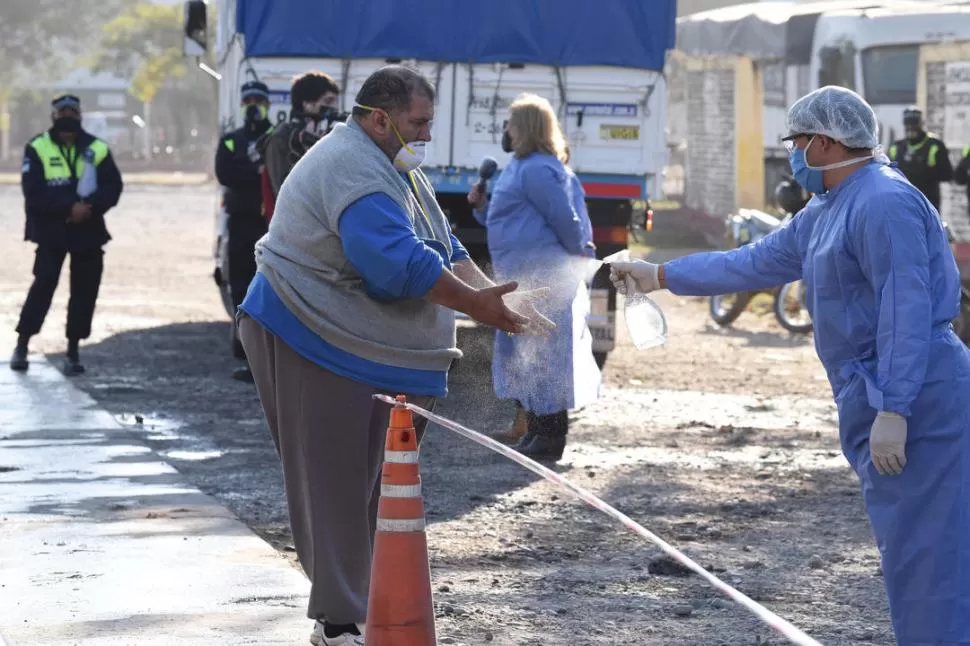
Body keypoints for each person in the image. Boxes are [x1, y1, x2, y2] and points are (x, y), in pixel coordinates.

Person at [610, 85, 970, 646]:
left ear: (823, 142)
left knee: (929, 555)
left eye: (797, 140)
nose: (793, 152)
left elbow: (906, 307)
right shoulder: (828, 207)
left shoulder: (883, 201)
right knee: (909, 551)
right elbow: (753, 263)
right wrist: (660, 275)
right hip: (874, 389)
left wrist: (896, 408)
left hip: (919, 392)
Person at [235, 65, 552, 646]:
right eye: (419, 122)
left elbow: (444, 245)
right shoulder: (353, 167)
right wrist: (477, 307)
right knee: (335, 484)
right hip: (313, 336)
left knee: (377, 487)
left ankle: (367, 604)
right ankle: (337, 621)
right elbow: (396, 263)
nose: (428, 134)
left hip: (357, 345)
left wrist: (491, 298)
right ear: (380, 119)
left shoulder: (394, 166)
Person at [467, 93, 601, 462]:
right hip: (525, 278)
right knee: (530, 353)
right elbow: (514, 219)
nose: (505, 129)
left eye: (510, 122)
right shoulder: (522, 167)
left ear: (524, 127)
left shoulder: (539, 169)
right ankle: (539, 431)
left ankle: (551, 436)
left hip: (545, 278)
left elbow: (566, 221)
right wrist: (483, 209)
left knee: (545, 355)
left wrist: (580, 260)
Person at [10, 94, 123, 375]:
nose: (67, 117)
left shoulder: (96, 148)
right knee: (43, 287)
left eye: (72, 112)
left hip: (89, 229)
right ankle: (22, 345)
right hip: (51, 231)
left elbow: (113, 186)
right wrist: (67, 208)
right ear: (53, 116)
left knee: (84, 292)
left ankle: (73, 351)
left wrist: (90, 208)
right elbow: (33, 191)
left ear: (80, 115)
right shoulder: (38, 147)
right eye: (62, 112)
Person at [216, 80, 273, 382]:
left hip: (270, 225)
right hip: (241, 224)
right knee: (240, 288)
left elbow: (281, 171)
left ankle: (267, 358)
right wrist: (256, 171)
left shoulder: (276, 138)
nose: (253, 106)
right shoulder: (230, 140)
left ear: (268, 104)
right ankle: (246, 352)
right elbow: (225, 173)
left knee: (268, 288)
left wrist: (250, 172)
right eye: (248, 100)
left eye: (259, 100)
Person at [258, 71, 341, 200]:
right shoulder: (281, 138)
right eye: (328, 101)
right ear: (307, 104)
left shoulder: (326, 136)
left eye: (335, 102)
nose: (334, 108)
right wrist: (312, 152)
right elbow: (284, 195)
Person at [888, 106, 953, 211]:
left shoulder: (934, 145)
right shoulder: (896, 147)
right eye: (907, 124)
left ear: (921, 123)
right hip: (901, 204)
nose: (910, 128)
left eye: (914, 123)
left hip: (928, 205)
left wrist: (924, 171)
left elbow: (948, 174)